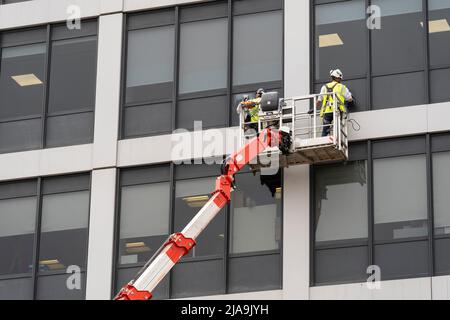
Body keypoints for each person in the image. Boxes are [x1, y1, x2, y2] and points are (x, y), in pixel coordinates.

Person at [312, 69, 353, 137]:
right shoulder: (342, 87)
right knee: (337, 129)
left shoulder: (324, 87)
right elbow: (349, 98)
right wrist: (351, 100)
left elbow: (319, 100)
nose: (340, 80)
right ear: (337, 77)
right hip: (337, 111)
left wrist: (314, 108)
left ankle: (324, 140)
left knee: (325, 130)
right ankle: (336, 140)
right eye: (340, 78)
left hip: (327, 112)